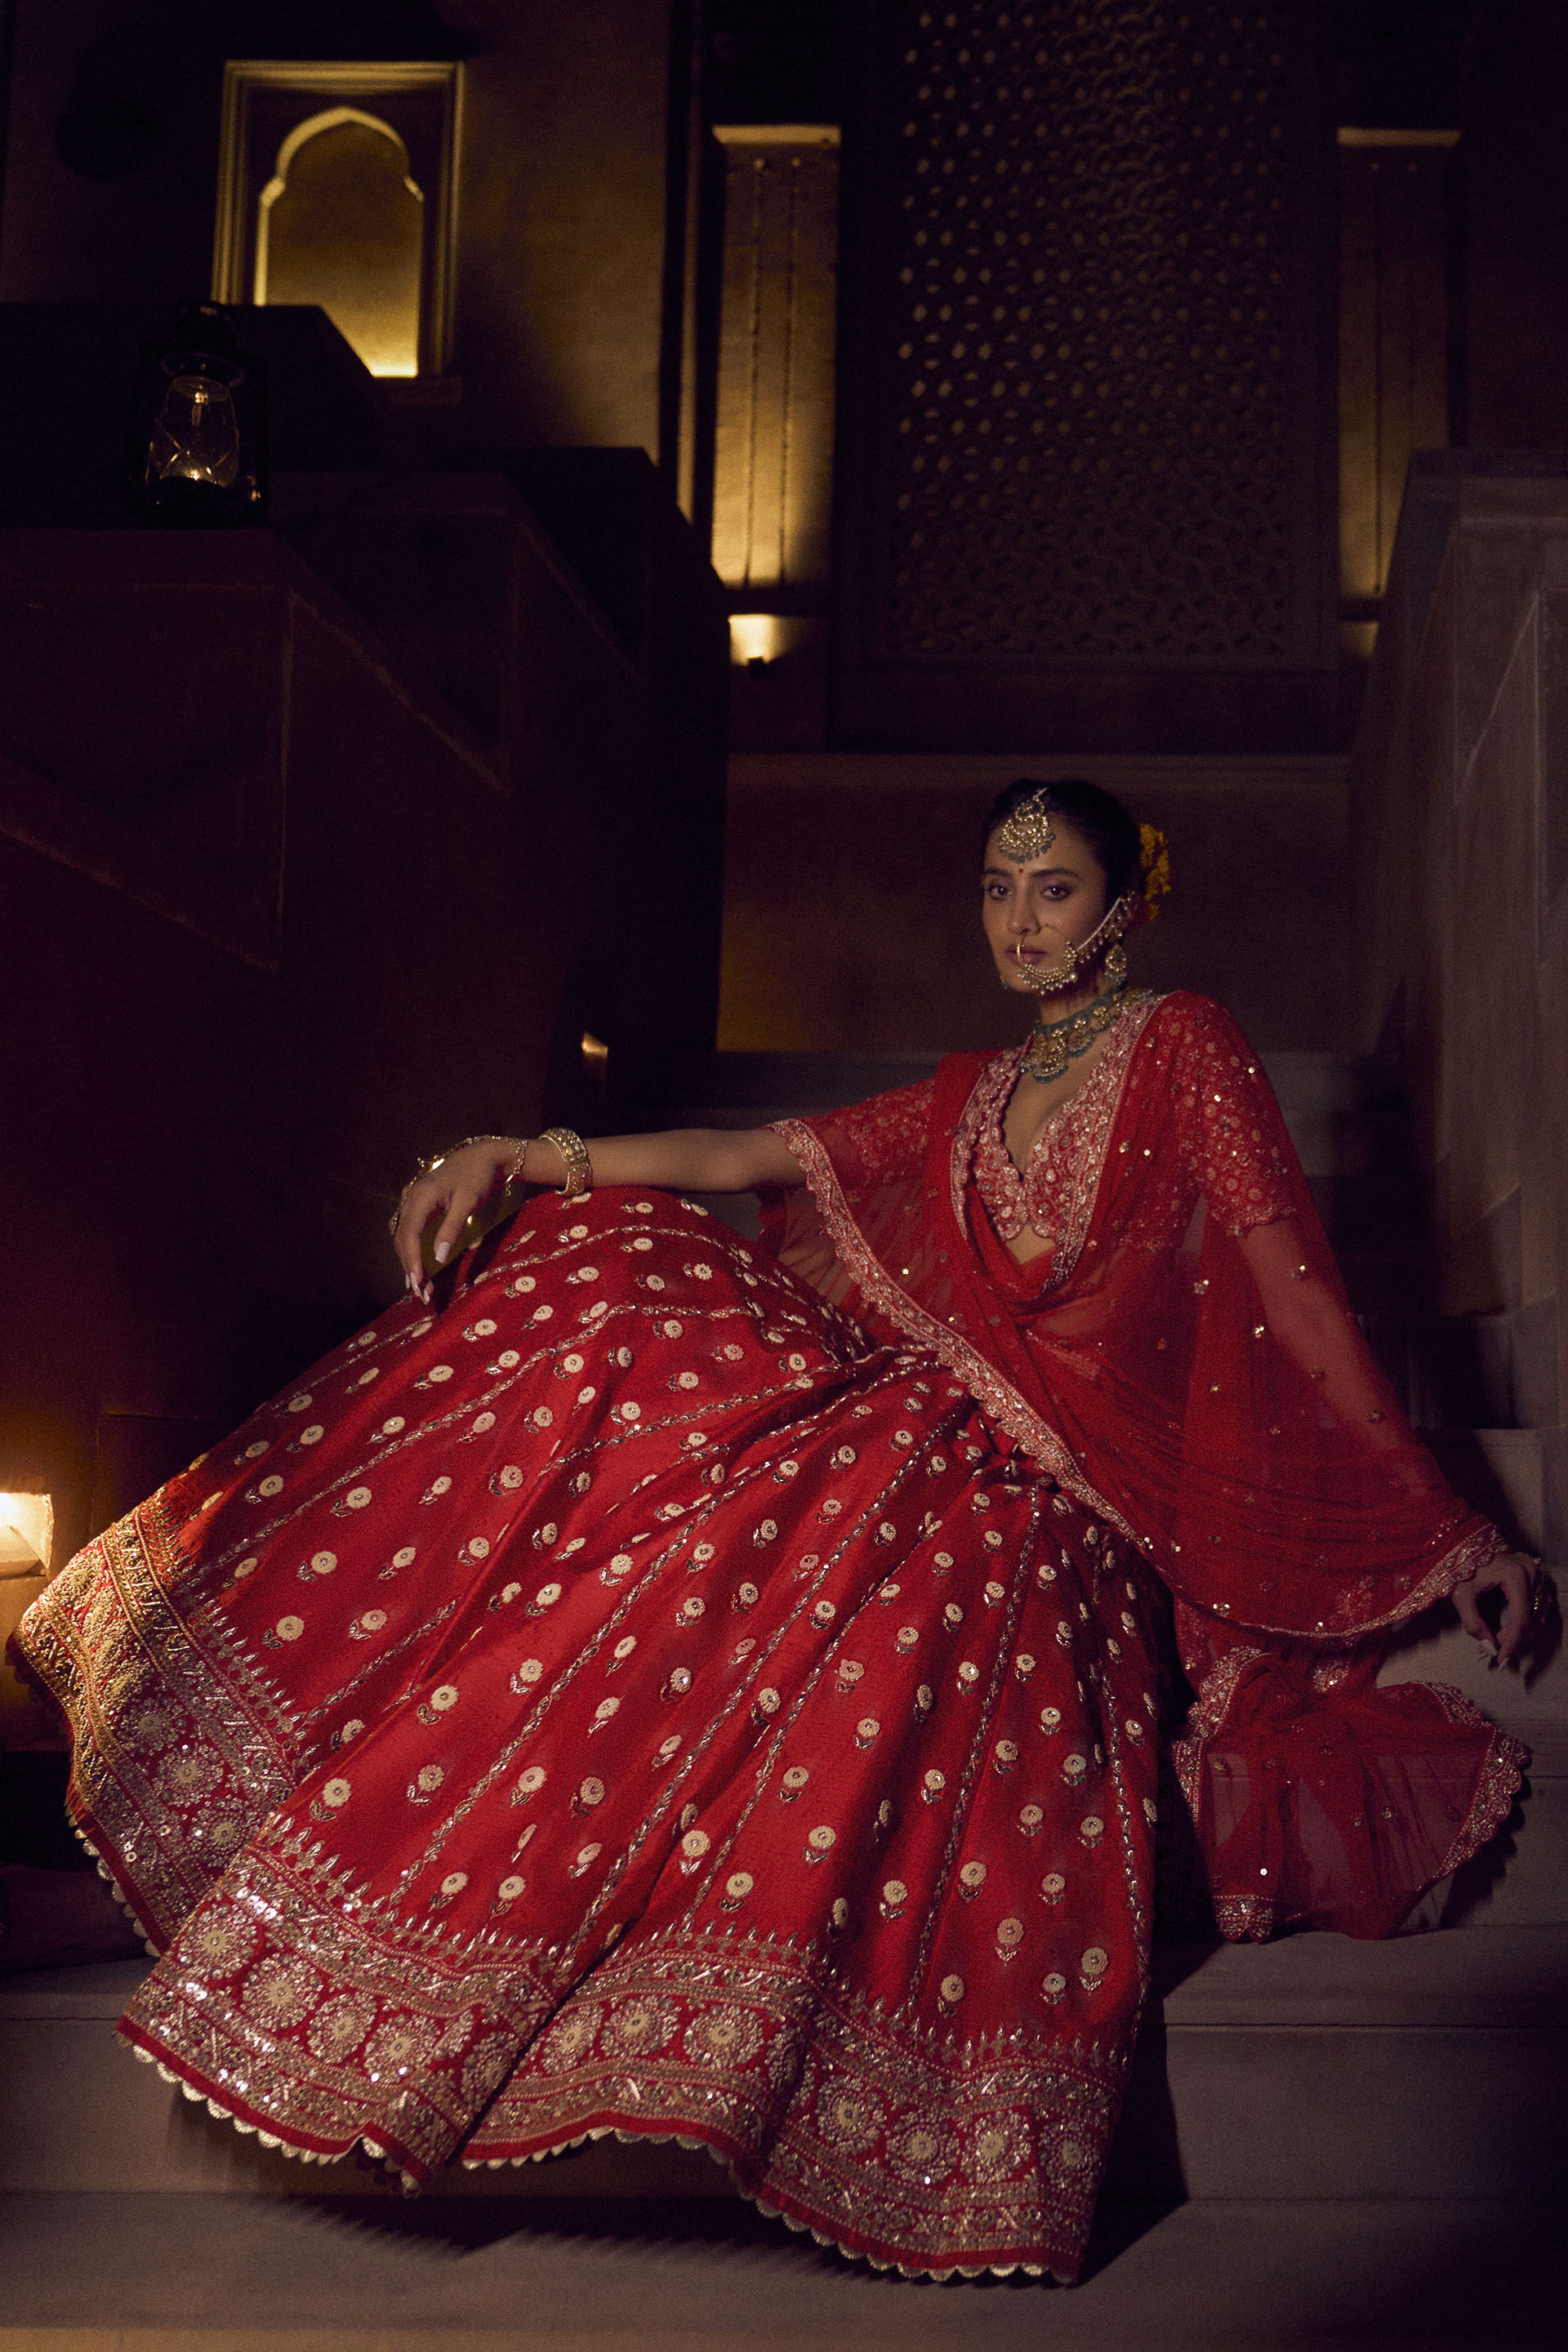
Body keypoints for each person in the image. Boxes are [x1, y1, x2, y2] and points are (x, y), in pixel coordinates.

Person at [12, 779, 1537, 2286]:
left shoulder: (1185, 1044)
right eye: (997, 890)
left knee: (905, 1538)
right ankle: (374, 1819)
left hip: (1068, 1501)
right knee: (617, 1270)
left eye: (1056, 889)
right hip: (914, 1425)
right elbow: (756, 1157)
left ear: (1128, 902)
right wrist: (522, 1155)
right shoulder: (972, 1096)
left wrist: (1448, 1529)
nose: (1020, 922)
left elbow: (1287, 1284)